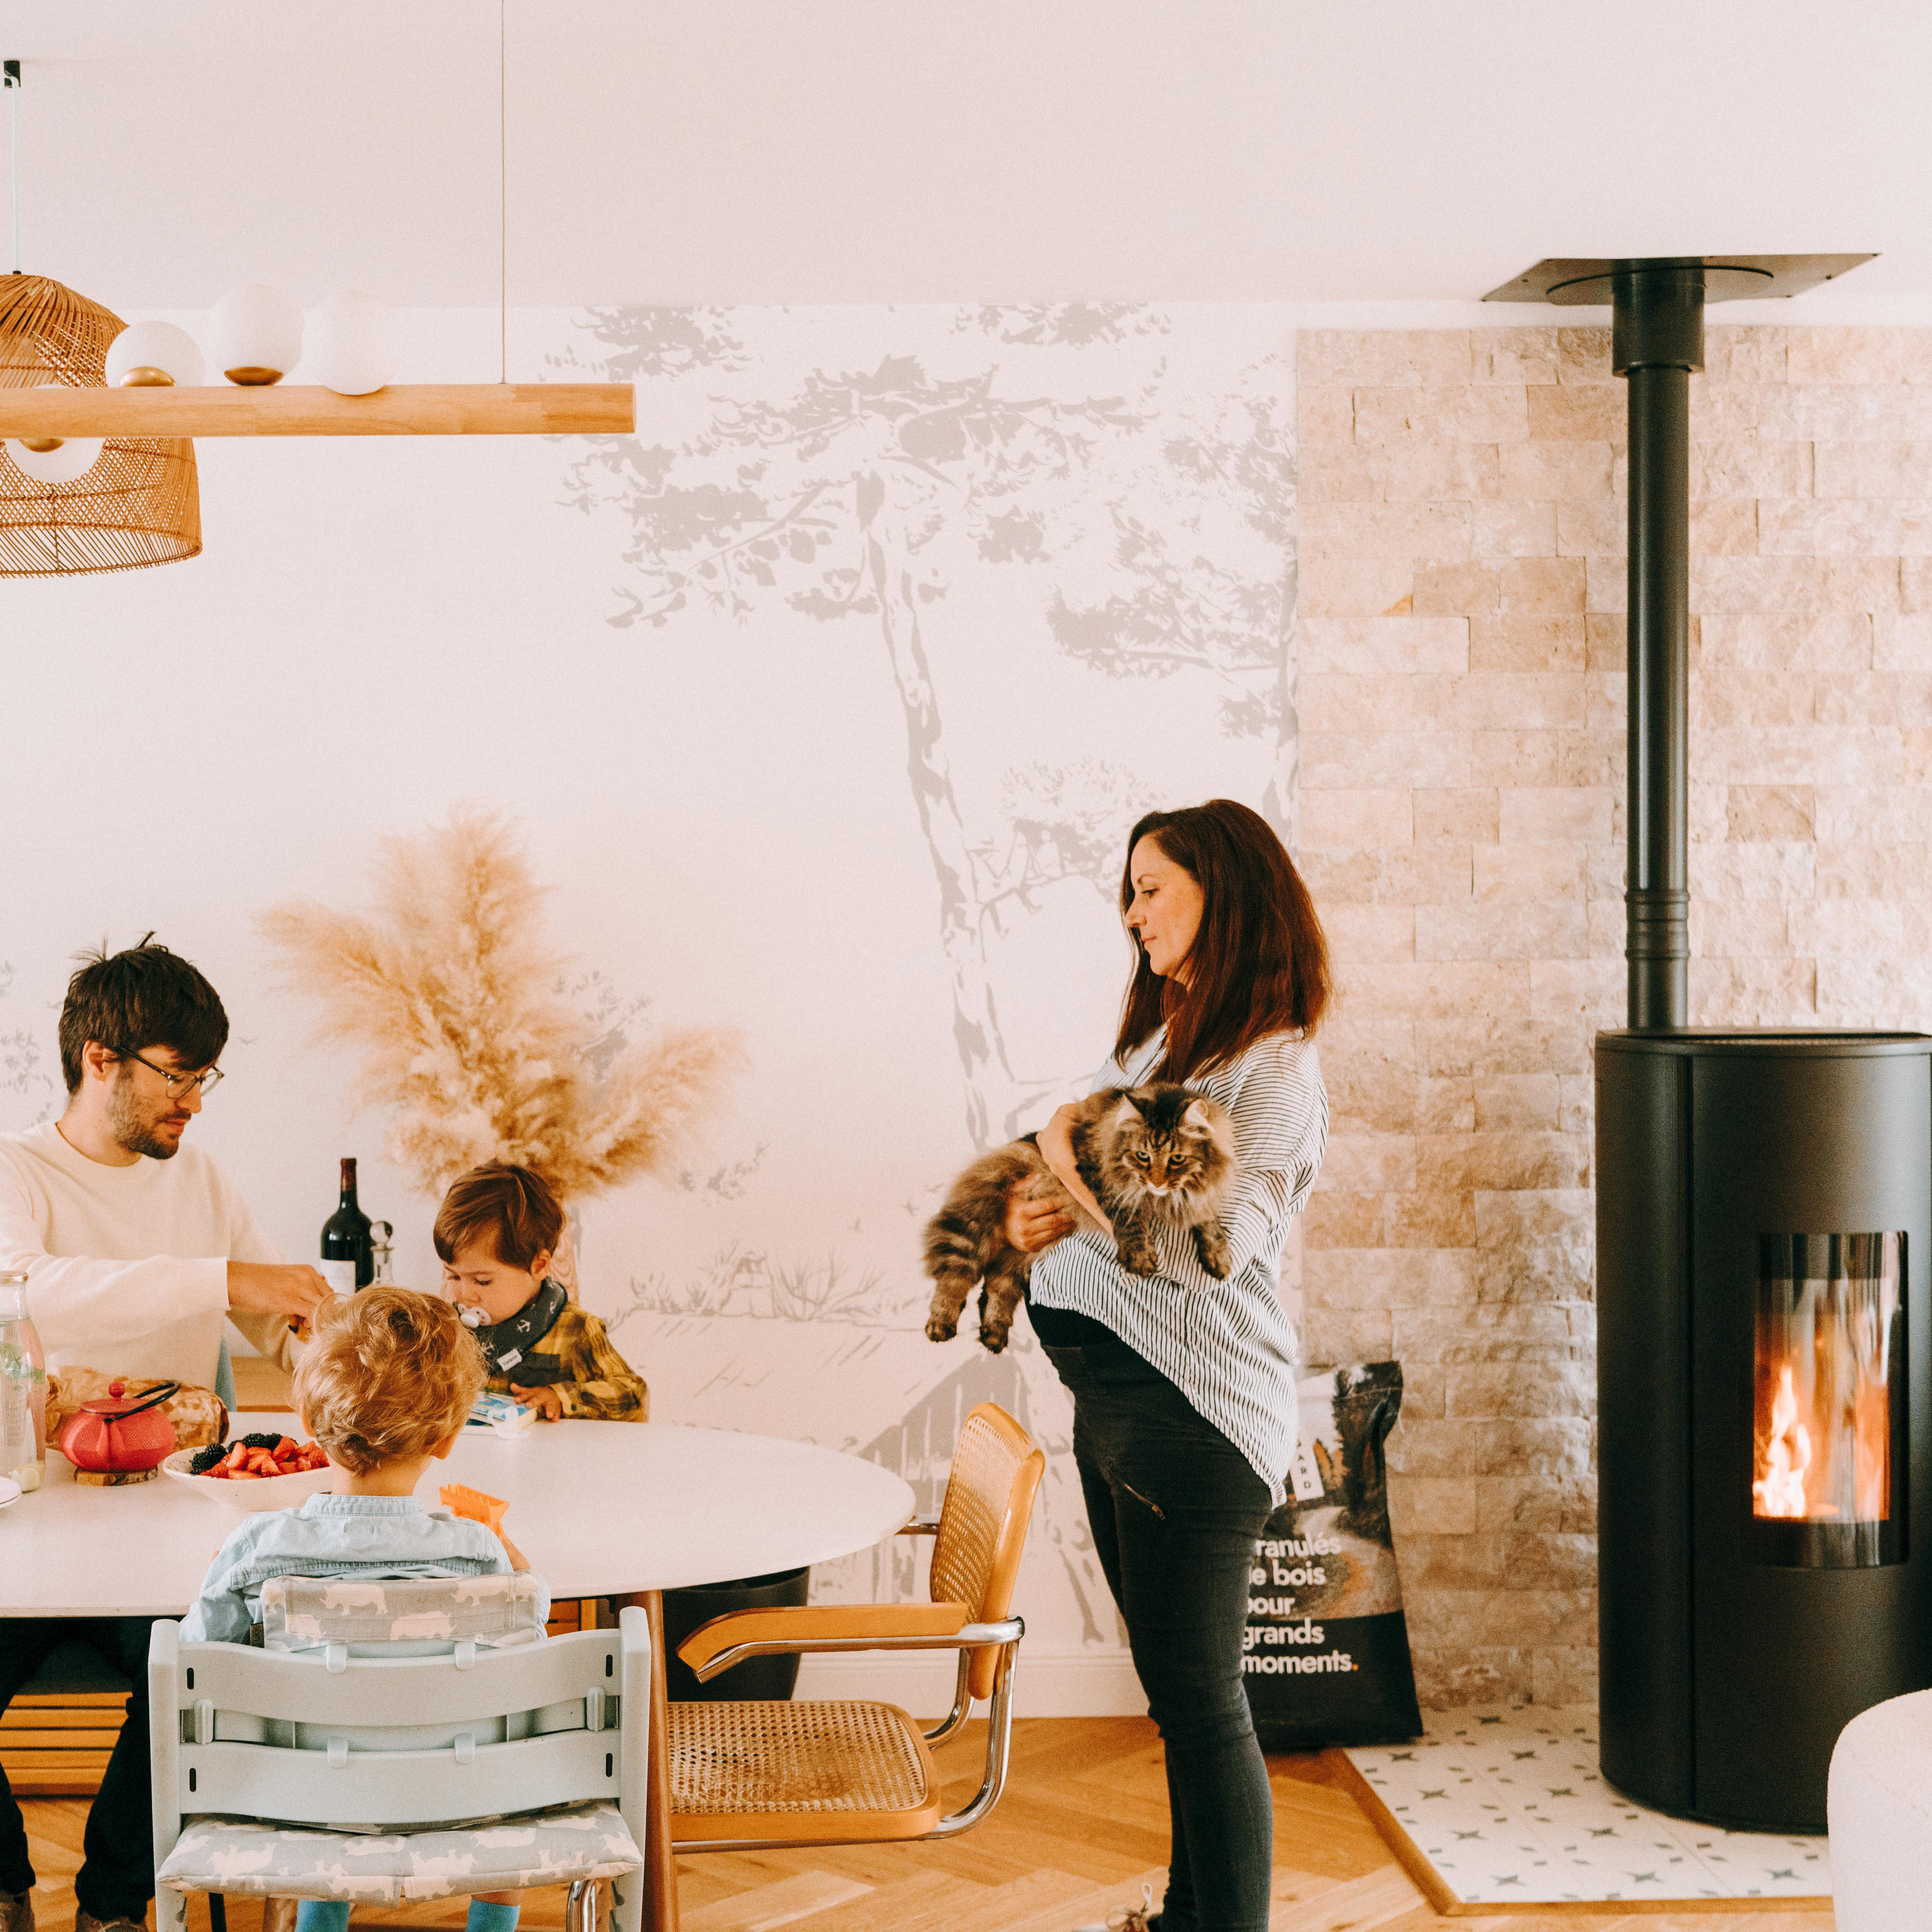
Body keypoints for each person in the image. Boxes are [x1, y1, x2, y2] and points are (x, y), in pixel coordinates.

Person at [1017, 801, 1330, 1932]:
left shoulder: (1272, 1065)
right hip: (1121, 1406)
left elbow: (1206, 1249)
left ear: (1226, 894)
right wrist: (1060, 1188)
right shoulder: (1167, 1038)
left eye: (1153, 887)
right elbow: (1105, 1194)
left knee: (1203, 1706)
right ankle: (1187, 1919)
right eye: (1130, 889)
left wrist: (1062, 1153)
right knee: (1178, 1700)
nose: (1132, 910)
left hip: (1194, 1419)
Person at [0, 940, 329, 1932]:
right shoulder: (17, 1170)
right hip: (26, 1532)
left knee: (207, 1675)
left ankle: (112, 1903)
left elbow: (285, 1317)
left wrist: (325, 1345)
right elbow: (26, 1282)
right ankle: (6, 1881)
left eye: (203, 1079)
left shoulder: (206, 1183)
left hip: (169, 1537)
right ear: (101, 1060)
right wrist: (220, 1279)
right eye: (177, 1076)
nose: (193, 1102)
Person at [180, 1286, 545, 1932]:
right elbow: (530, 1650)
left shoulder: (257, 1551)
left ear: (310, 1417)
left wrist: (232, 1570)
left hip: (309, 1806)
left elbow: (193, 1669)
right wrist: (518, 1565)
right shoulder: (481, 1555)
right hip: (462, 1798)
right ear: (448, 1437)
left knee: (333, 1759)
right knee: (507, 1768)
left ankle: (322, 1918)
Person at [434, 1161, 649, 1421]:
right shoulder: (448, 1328)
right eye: (454, 1275)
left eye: (482, 1281)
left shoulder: (576, 1330)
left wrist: (560, 1396)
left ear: (539, 1266)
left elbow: (633, 1394)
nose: (465, 1295)